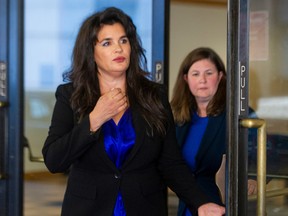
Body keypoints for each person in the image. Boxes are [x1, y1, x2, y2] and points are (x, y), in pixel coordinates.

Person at [42, 7, 225, 216]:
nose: (118, 49)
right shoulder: (70, 95)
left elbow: (171, 163)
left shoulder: (154, 95)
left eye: (123, 40)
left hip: (144, 208)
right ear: (90, 52)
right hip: (87, 209)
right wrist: (95, 119)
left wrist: (199, 202)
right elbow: (54, 159)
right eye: (107, 43)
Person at [170, 47, 258, 216]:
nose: (202, 80)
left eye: (208, 73)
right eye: (195, 74)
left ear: (220, 76)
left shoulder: (238, 115)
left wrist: (253, 178)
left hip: (221, 207)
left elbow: (261, 152)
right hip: (187, 206)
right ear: (186, 78)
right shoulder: (178, 117)